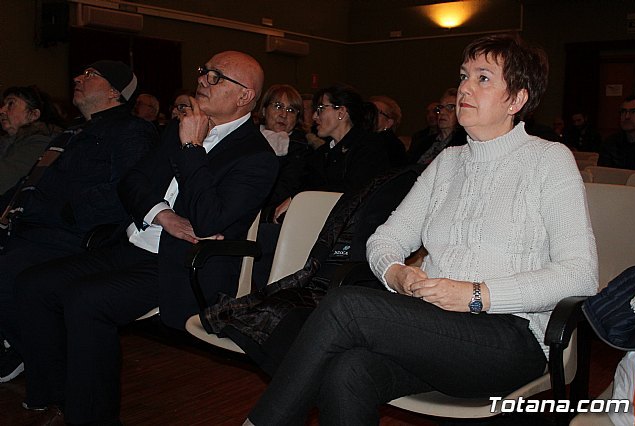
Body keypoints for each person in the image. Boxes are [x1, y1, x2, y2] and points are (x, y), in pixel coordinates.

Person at [245, 33, 598, 426]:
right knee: (348, 370)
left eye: (483, 78)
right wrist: (396, 273)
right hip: (436, 330)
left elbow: (579, 276)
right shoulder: (447, 163)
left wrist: (475, 295)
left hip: (512, 337)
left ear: (516, 99)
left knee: (347, 306)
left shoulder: (549, 160)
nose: (465, 87)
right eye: (463, 76)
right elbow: (386, 239)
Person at [15, 50, 278, 426]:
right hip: (134, 243)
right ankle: (55, 398)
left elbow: (208, 221)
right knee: (34, 284)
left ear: (245, 96)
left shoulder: (257, 156)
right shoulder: (179, 128)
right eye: (204, 71)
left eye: (216, 77)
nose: (202, 80)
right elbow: (132, 181)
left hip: (181, 265)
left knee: (85, 300)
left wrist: (192, 149)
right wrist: (162, 214)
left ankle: (92, 419)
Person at [0, 60, 155, 385]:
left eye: (90, 75)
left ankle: (32, 356)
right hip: (29, 227)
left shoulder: (131, 130)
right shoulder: (72, 131)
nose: (77, 78)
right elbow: (32, 182)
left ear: (114, 91)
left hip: (68, 235)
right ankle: (21, 344)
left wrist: (65, 213)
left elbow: (126, 189)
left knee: (8, 273)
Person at [252, 84, 313, 289]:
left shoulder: (301, 148)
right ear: (263, 110)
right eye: (277, 106)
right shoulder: (246, 140)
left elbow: (287, 189)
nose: (283, 114)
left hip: (274, 219)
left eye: (291, 110)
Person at [303, 84, 390, 195]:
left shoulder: (369, 148)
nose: (314, 116)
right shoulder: (321, 154)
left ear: (341, 112)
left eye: (321, 108)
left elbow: (356, 193)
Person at [0, 86, 65, 195]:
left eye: (11, 104)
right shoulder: (6, 142)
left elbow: (4, 179)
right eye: (3, 105)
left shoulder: (41, 144)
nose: (1, 110)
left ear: (33, 115)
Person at [406, 88, 467, 164]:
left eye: (450, 107)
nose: (442, 112)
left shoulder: (465, 143)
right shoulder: (424, 141)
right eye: (440, 108)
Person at [599, 94, 635, 170]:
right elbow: (603, 173)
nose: (627, 116)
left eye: (633, 112)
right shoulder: (610, 144)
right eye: (623, 112)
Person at [369, 95, 407, 168]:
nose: (371, 114)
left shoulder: (393, 145)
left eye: (377, 111)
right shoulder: (360, 137)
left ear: (389, 122)